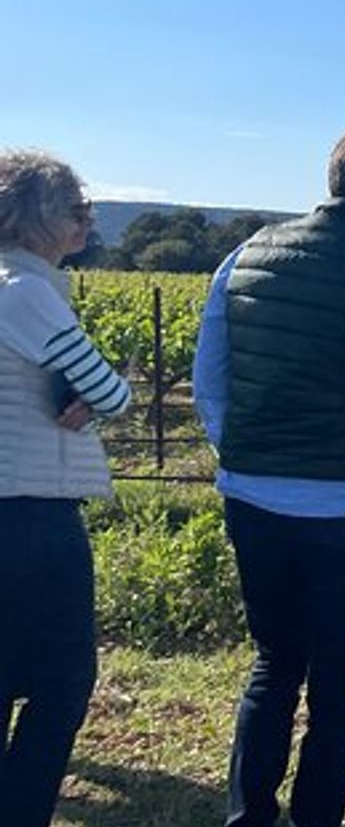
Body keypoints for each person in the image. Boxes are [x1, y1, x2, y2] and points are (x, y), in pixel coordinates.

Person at [193, 124, 345, 827]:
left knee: (273, 665)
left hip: (251, 493)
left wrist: (240, 453)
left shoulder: (248, 252)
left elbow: (210, 377)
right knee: (339, 688)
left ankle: (248, 816)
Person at [0, 152, 131, 827]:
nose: (87, 220)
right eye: (74, 209)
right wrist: (100, 388)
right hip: (29, 511)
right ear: (34, 217)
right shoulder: (26, 292)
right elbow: (111, 391)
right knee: (64, 678)